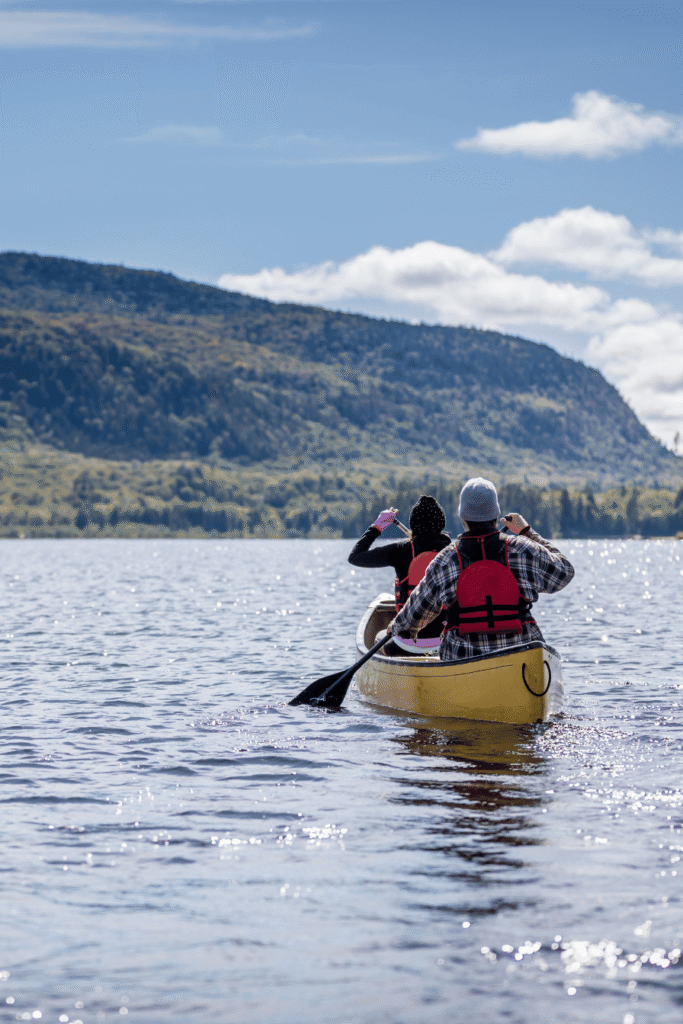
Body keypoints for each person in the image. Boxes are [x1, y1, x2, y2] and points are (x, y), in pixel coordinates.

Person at [389, 477, 574, 661]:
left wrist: (396, 627)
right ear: (496, 515)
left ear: (463, 517)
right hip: (522, 657)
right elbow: (564, 572)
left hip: (462, 661)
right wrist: (526, 531)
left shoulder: (444, 561)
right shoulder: (525, 549)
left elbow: (414, 615)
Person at [348, 495, 451, 653]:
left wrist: (378, 526)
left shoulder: (401, 550)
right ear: (441, 525)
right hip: (443, 640)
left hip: (406, 643)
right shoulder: (454, 552)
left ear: (413, 525)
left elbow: (355, 557)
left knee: (379, 637)